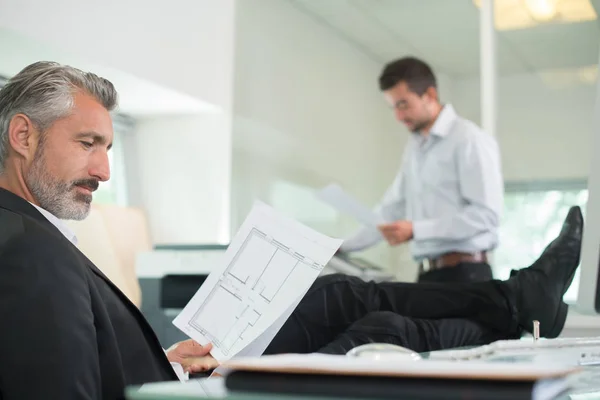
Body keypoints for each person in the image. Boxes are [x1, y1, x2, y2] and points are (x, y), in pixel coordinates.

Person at [0, 62, 582, 400]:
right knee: (375, 323)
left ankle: (517, 306)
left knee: (351, 300)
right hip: (192, 390)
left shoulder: (30, 238)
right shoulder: (30, 250)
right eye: (87, 144)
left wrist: (171, 360)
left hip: (185, 371)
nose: (104, 170)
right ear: (22, 137)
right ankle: (518, 306)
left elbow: (97, 363)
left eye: (107, 146)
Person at [340, 56, 504, 283]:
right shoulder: (415, 149)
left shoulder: (468, 139)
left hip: (467, 275)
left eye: (403, 104)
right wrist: (340, 246)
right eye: (393, 108)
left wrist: (416, 230)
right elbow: (389, 211)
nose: (398, 116)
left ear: (430, 96)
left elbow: (486, 216)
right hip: (428, 274)